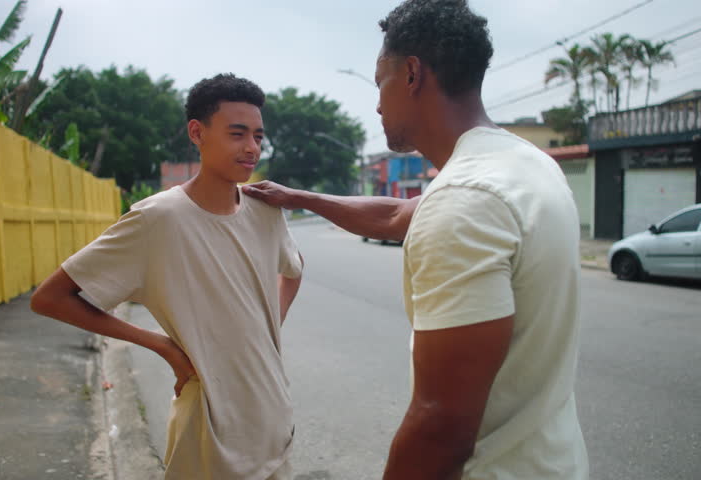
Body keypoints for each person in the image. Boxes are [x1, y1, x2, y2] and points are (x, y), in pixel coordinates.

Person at [242, 0, 588, 478]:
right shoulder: (524, 165)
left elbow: (441, 426)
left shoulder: (464, 200)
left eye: (380, 80)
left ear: (411, 74)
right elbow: (397, 214)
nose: (378, 102)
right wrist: (299, 197)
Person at [30, 73, 304, 480]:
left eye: (258, 136)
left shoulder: (265, 209)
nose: (251, 147)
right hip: (210, 424)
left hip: (273, 415)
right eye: (237, 133)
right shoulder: (158, 219)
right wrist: (164, 347)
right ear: (198, 132)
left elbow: (294, 269)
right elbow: (50, 298)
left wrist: (266, 330)